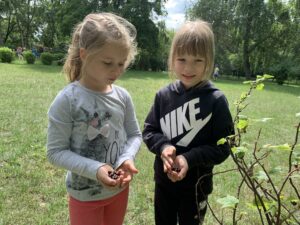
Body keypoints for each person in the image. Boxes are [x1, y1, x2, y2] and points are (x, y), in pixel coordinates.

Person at [47, 12, 142, 225]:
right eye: (108, 62)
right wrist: (96, 169)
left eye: (121, 63)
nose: (117, 71)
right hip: (84, 196)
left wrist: (126, 158)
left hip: (119, 191)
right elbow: (55, 152)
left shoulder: (122, 96)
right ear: (84, 54)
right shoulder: (68, 100)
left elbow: (135, 135)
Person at [142, 19, 234, 225]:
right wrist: (163, 146)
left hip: (196, 188)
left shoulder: (216, 100)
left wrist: (188, 159)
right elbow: (149, 131)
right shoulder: (163, 96)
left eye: (198, 60)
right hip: (163, 184)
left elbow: (223, 147)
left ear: (209, 60)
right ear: (172, 58)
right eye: (181, 59)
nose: (188, 67)